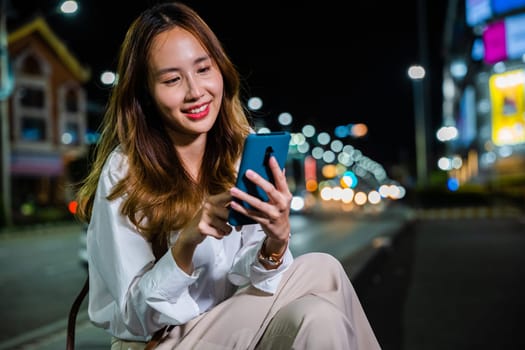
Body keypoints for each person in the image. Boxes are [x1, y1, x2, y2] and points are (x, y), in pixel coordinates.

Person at [75, 2, 381, 349]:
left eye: (203, 69)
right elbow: (134, 316)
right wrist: (187, 241)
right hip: (161, 343)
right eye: (172, 79)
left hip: (235, 330)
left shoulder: (238, 156)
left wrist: (275, 244)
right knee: (323, 271)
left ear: (221, 69)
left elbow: (249, 278)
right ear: (145, 93)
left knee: (319, 315)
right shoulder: (126, 169)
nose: (195, 91)